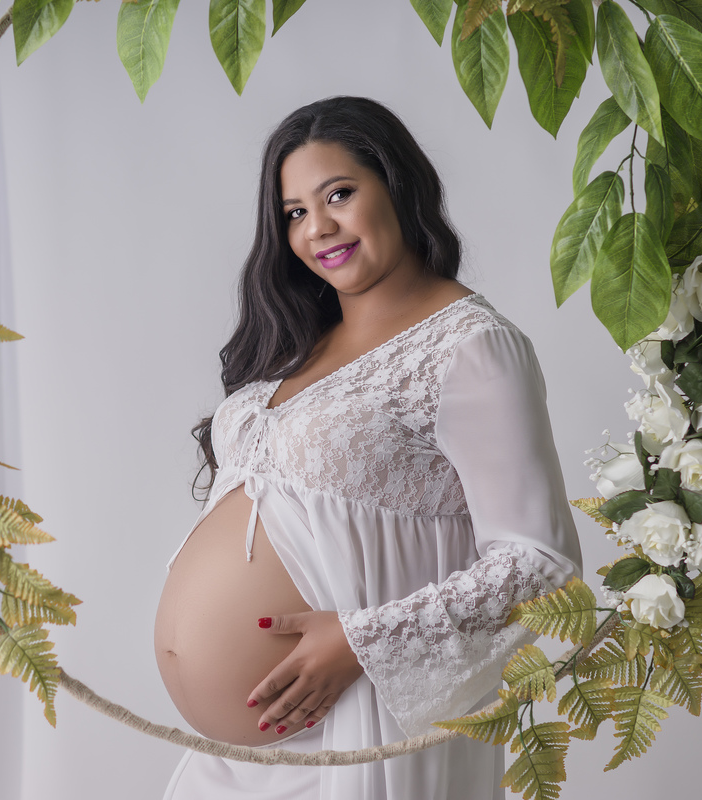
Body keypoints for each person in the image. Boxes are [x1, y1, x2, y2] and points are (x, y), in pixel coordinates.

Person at [154, 96, 583, 799]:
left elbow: (542, 563)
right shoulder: (300, 342)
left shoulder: (470, 345)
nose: (318, 227)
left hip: (359, 728)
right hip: (230, 760)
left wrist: (364, 642)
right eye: (294, 212)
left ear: (399, 185)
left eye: (340, 194)